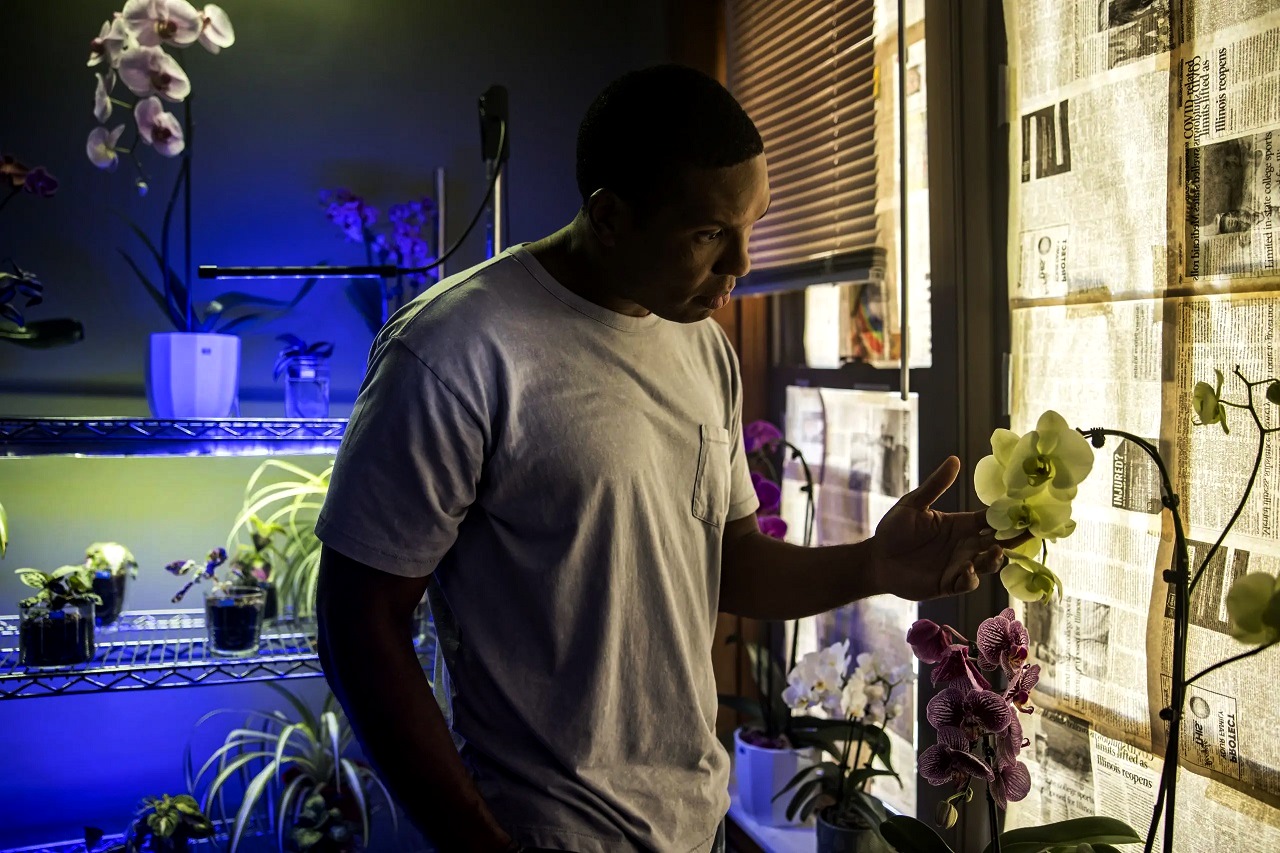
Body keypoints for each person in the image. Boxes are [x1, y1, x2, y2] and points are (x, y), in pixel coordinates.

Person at [314, 64, 1007, 853]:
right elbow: (356, 619)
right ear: (609, 217)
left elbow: (732, 561)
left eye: (754, 222)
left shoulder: (703, 345)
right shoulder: (456, 348)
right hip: (546, 832)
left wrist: (877, 563)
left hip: (697, 825)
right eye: (709, 233)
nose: (740, 263)